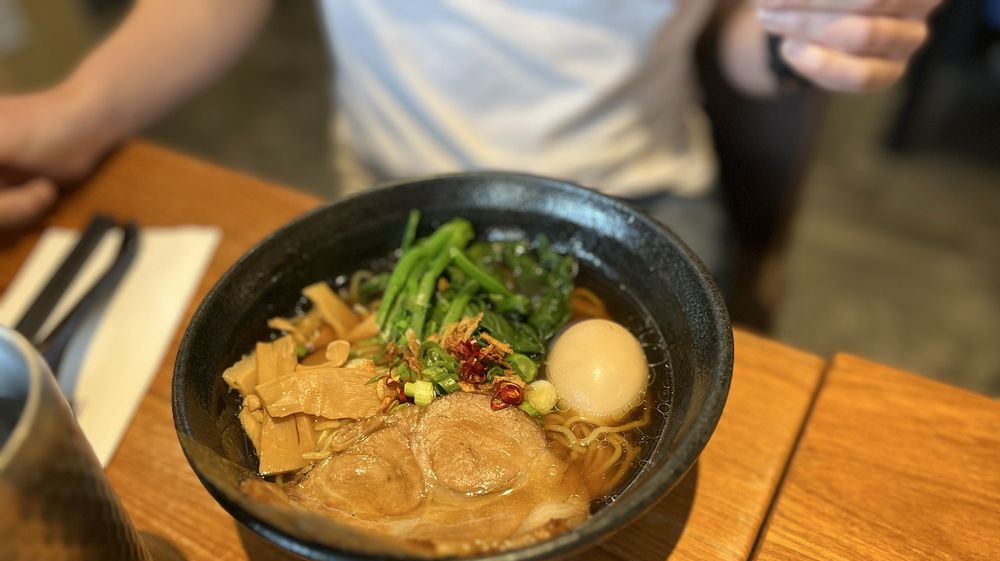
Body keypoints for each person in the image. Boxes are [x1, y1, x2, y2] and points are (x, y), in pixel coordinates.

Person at [0, 0, 939, 274]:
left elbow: (740, 41)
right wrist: (82, 108)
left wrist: (810, 35)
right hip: (387, 185)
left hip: (631, 196)